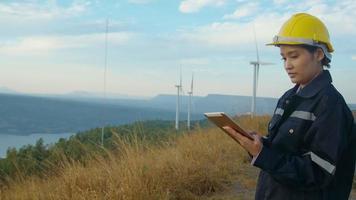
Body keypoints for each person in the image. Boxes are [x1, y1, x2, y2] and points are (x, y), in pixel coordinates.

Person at [223, 13, 356, 200]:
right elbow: (286, 150)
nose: (287, 65)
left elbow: (317, 173)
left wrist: (263, 154)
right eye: (283, 58)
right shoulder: (289, 97)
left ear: (318, 54)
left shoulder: (330, 105)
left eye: (293, 56)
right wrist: (262, 144)